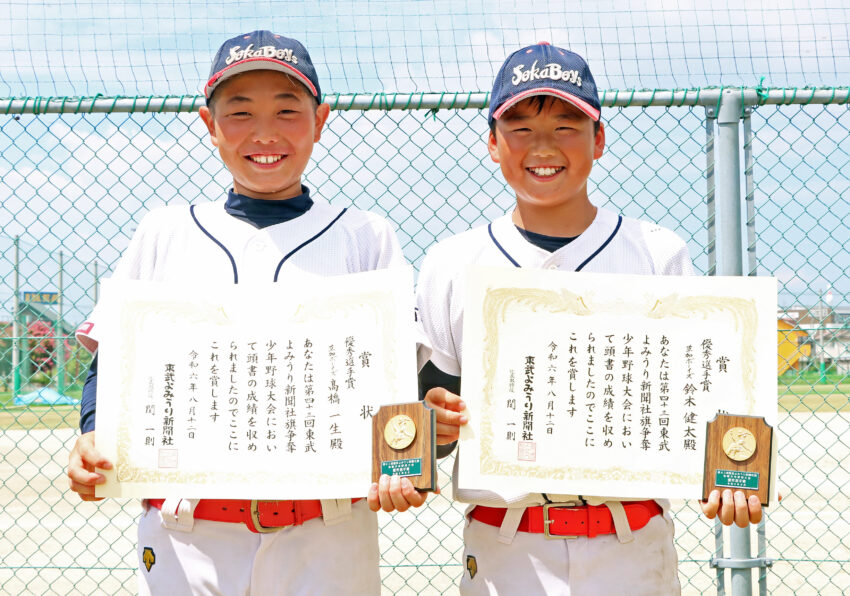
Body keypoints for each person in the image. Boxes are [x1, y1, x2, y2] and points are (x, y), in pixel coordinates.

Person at [66, 30, 424, 596]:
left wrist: (404, 467)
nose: (264, 133)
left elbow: (400, 377)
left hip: (327, 530)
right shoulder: (165, 230)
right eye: (239, 112)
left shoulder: (365, 235)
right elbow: (109, 362)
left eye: (287, 110)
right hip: (188, 531)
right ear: (209, 125)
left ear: (320, 120)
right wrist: (92, 433)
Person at [415, 42, 762, 595]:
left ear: (599, 140)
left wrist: (735, 470)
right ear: (492, 143)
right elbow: (431, 421)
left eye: (567, 125)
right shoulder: (452, 262)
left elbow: (710, 389)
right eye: (520, 127)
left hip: (630, 542)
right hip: (506, 549)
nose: (543, 146)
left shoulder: (656, 252)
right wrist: (430, 429)